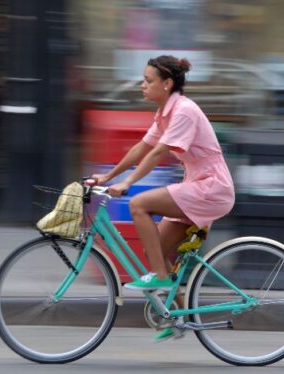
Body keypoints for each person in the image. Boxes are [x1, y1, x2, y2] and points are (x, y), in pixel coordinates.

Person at [92, 55, 235, 340]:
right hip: (198, 186)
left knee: (139, 203)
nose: (142, 85)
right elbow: (141, 148)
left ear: (167, 84)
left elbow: (158, 153)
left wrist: (129, 183)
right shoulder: (165, 113)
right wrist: (108, 178)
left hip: (211, 188)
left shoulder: (184, 111)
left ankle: (161, 278)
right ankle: (177, 318)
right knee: (154, 247)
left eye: (148, 81)